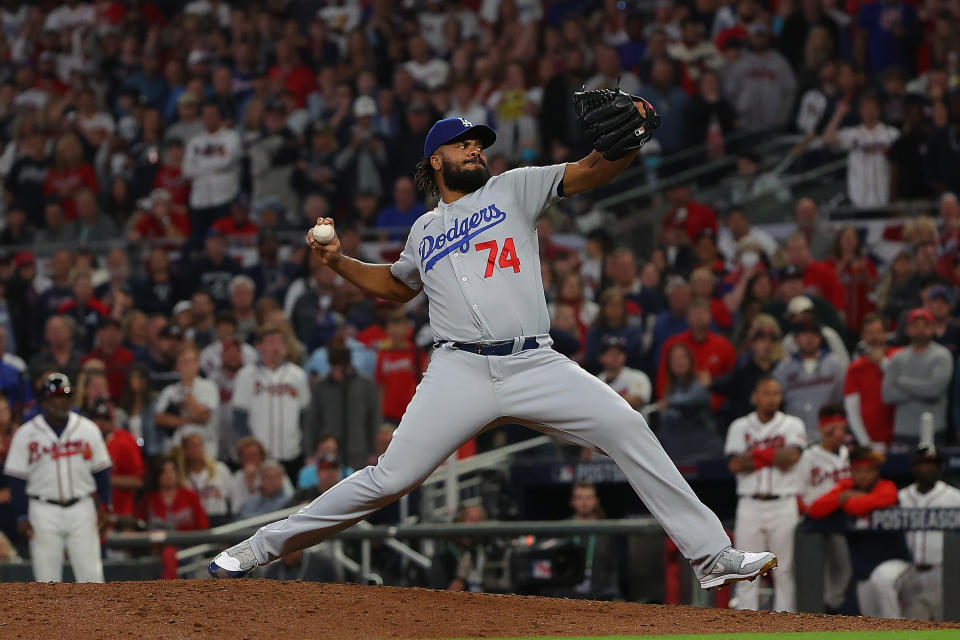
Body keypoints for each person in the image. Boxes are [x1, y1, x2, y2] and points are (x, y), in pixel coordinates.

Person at [211, 114, 776, 588]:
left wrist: (632, 137)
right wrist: (335, 261)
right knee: (387, 480)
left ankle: (711, 555)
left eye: (479, 143)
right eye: (464, 143)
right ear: (436, 159)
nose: (476, 149)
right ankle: (260, 548)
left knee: (627, 425)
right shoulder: (423, 230)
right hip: (458, 369)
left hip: (535, 361)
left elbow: (593, 170)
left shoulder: (514, 188)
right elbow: (394, 286)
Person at [3, 373, 113, 582]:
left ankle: (94, 617)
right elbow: (17, 479)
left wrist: (106, 506)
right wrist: (22, 516)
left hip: (82, 508)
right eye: (55, 397)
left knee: (91, 578)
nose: (61, 401)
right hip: (42, 511)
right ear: (44, 400)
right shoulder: (26, 434)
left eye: (65, 396)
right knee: (46, 581)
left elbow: (101, 472)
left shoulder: (87, 429)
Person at [725, 377, 806, 612]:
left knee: (784, 570)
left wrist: (756, 454)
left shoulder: (793, 424)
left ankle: (785, 626)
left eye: (776, 393)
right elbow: (735, 465)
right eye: (767, 393)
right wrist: (773, 455)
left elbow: (791, 457)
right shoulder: (740, 426)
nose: (772, 398)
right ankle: (745, 627)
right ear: (755, 397)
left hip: (783, 503)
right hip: (750, 504)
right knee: (746, 570)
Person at [807, 447, 906, 619]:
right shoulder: (845, 488)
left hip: (895, 564)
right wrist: (841, 497)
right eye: (858, 471)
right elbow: (815, 510)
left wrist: (850, 501)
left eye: (868, 471)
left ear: (876, 471)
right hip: (863, 572)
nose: (864, 476)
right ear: (851, 472)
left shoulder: (887, 486)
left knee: (890, 612)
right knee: (871, 623)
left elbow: (873, 502)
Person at [865, 445, 960, 620]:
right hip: (911, 572)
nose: (927, 468)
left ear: (940, 468)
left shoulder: (955, 497)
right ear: (913, 468)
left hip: (944, 573)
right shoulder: (900, 497)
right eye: (922, 464)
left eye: (932, 464)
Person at [232, 326, 311, 482]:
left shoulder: (298, 375)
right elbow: (239, 417)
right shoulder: (246, 375)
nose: (275, 346)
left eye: (279, 342)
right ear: (259, 346)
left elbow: (305, 415)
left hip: (291, 452)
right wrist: (251, 451)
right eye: (270, 342)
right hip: (260, 458)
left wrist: (305, 447)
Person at [794, 405, 852, 613]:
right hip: (814, 520)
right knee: (816, 569)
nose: (838, 433)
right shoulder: (809, 456)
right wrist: (807, 517)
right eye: (832, 428)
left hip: (838, 519)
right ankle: (811, 611)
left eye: (841, 428)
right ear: (822, 429)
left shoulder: (846, 453)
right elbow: (797, 493)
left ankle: (829, 607)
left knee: (842, 568)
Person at [882, 308, 953, 445]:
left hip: (934, 429)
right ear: (907, 329)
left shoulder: (942, 356)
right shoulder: (897, 358)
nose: (920, 329)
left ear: (932, 328)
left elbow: (934, 391)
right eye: (915, 325)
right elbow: (887, 394)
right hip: (903, 431)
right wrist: (924, 388)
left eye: (925, 325)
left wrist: (903, 382)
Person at [773, 318, 845, 440]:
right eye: (804, 334)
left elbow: (841, 399)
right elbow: (777, 400)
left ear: (820, 338)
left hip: (827, 436)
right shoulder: (784, 368)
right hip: (794, 437)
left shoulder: (834, 364)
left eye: (814, 334)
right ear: (796, 338)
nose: (810, 338)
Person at [657, 343, 721, 464]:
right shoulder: (670, 388)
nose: (679, 362)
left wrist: (669, 403)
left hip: (704, 451)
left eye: (683, 357)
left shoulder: (700, 381)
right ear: (669, 364)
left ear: (690, 361)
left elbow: (694, 398)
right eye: (675, 358)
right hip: (679, 451)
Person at [154, 343, 220, 457]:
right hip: (176, 449)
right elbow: (159, 418)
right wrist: (187, 421)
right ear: (177, 367)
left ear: (197, 364)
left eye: (190, 361)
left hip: (204, 450)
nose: (187, 366)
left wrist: (187, 390)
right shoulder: (169, 390)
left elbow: (202, 416)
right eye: (183, 362)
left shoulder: (208, 386)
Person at [844, 313, 897, 449]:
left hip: (901, 435)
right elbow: (852, 410)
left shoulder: (899, 358)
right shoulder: (854, 368)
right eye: (869, 333)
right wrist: (865, 443)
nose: (874, 337)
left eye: (879, 332)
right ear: (862, 336)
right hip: (872, 441)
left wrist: (882, 362)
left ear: (886, 333)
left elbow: (904, 384)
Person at [90, 399, 143, 520]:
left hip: (120, 513)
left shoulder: (126, 441)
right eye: (97, 418)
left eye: (105, 419)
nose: (101, 423)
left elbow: (137, 481)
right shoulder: (84, 442)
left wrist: (104, 478)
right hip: (90, 513)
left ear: (112, 419)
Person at [137, 457, 209, 532]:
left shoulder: (191, 496)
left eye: (172, 471)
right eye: (164, 472)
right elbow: (139, 526)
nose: (169, 475)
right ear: (157, 475)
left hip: (188, 542)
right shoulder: (148, 500)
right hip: (159, 542)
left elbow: (203, 525)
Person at [180, 432, 232, 526]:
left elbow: (231, 495)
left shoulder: (219, 468)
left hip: (219, 517)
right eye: (193, 446)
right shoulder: (182, 476)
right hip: (195, 520)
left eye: (200, 445)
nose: (197, 449)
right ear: (186, 451)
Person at [596, 337, 651, 411]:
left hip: (633, 421)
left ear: (625, 356)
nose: (615, 355)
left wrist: (604, 400)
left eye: (619, 352)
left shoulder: (638, 376)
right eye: (609, 352)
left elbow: (637, 401)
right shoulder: (595, 380)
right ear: (601, 358)